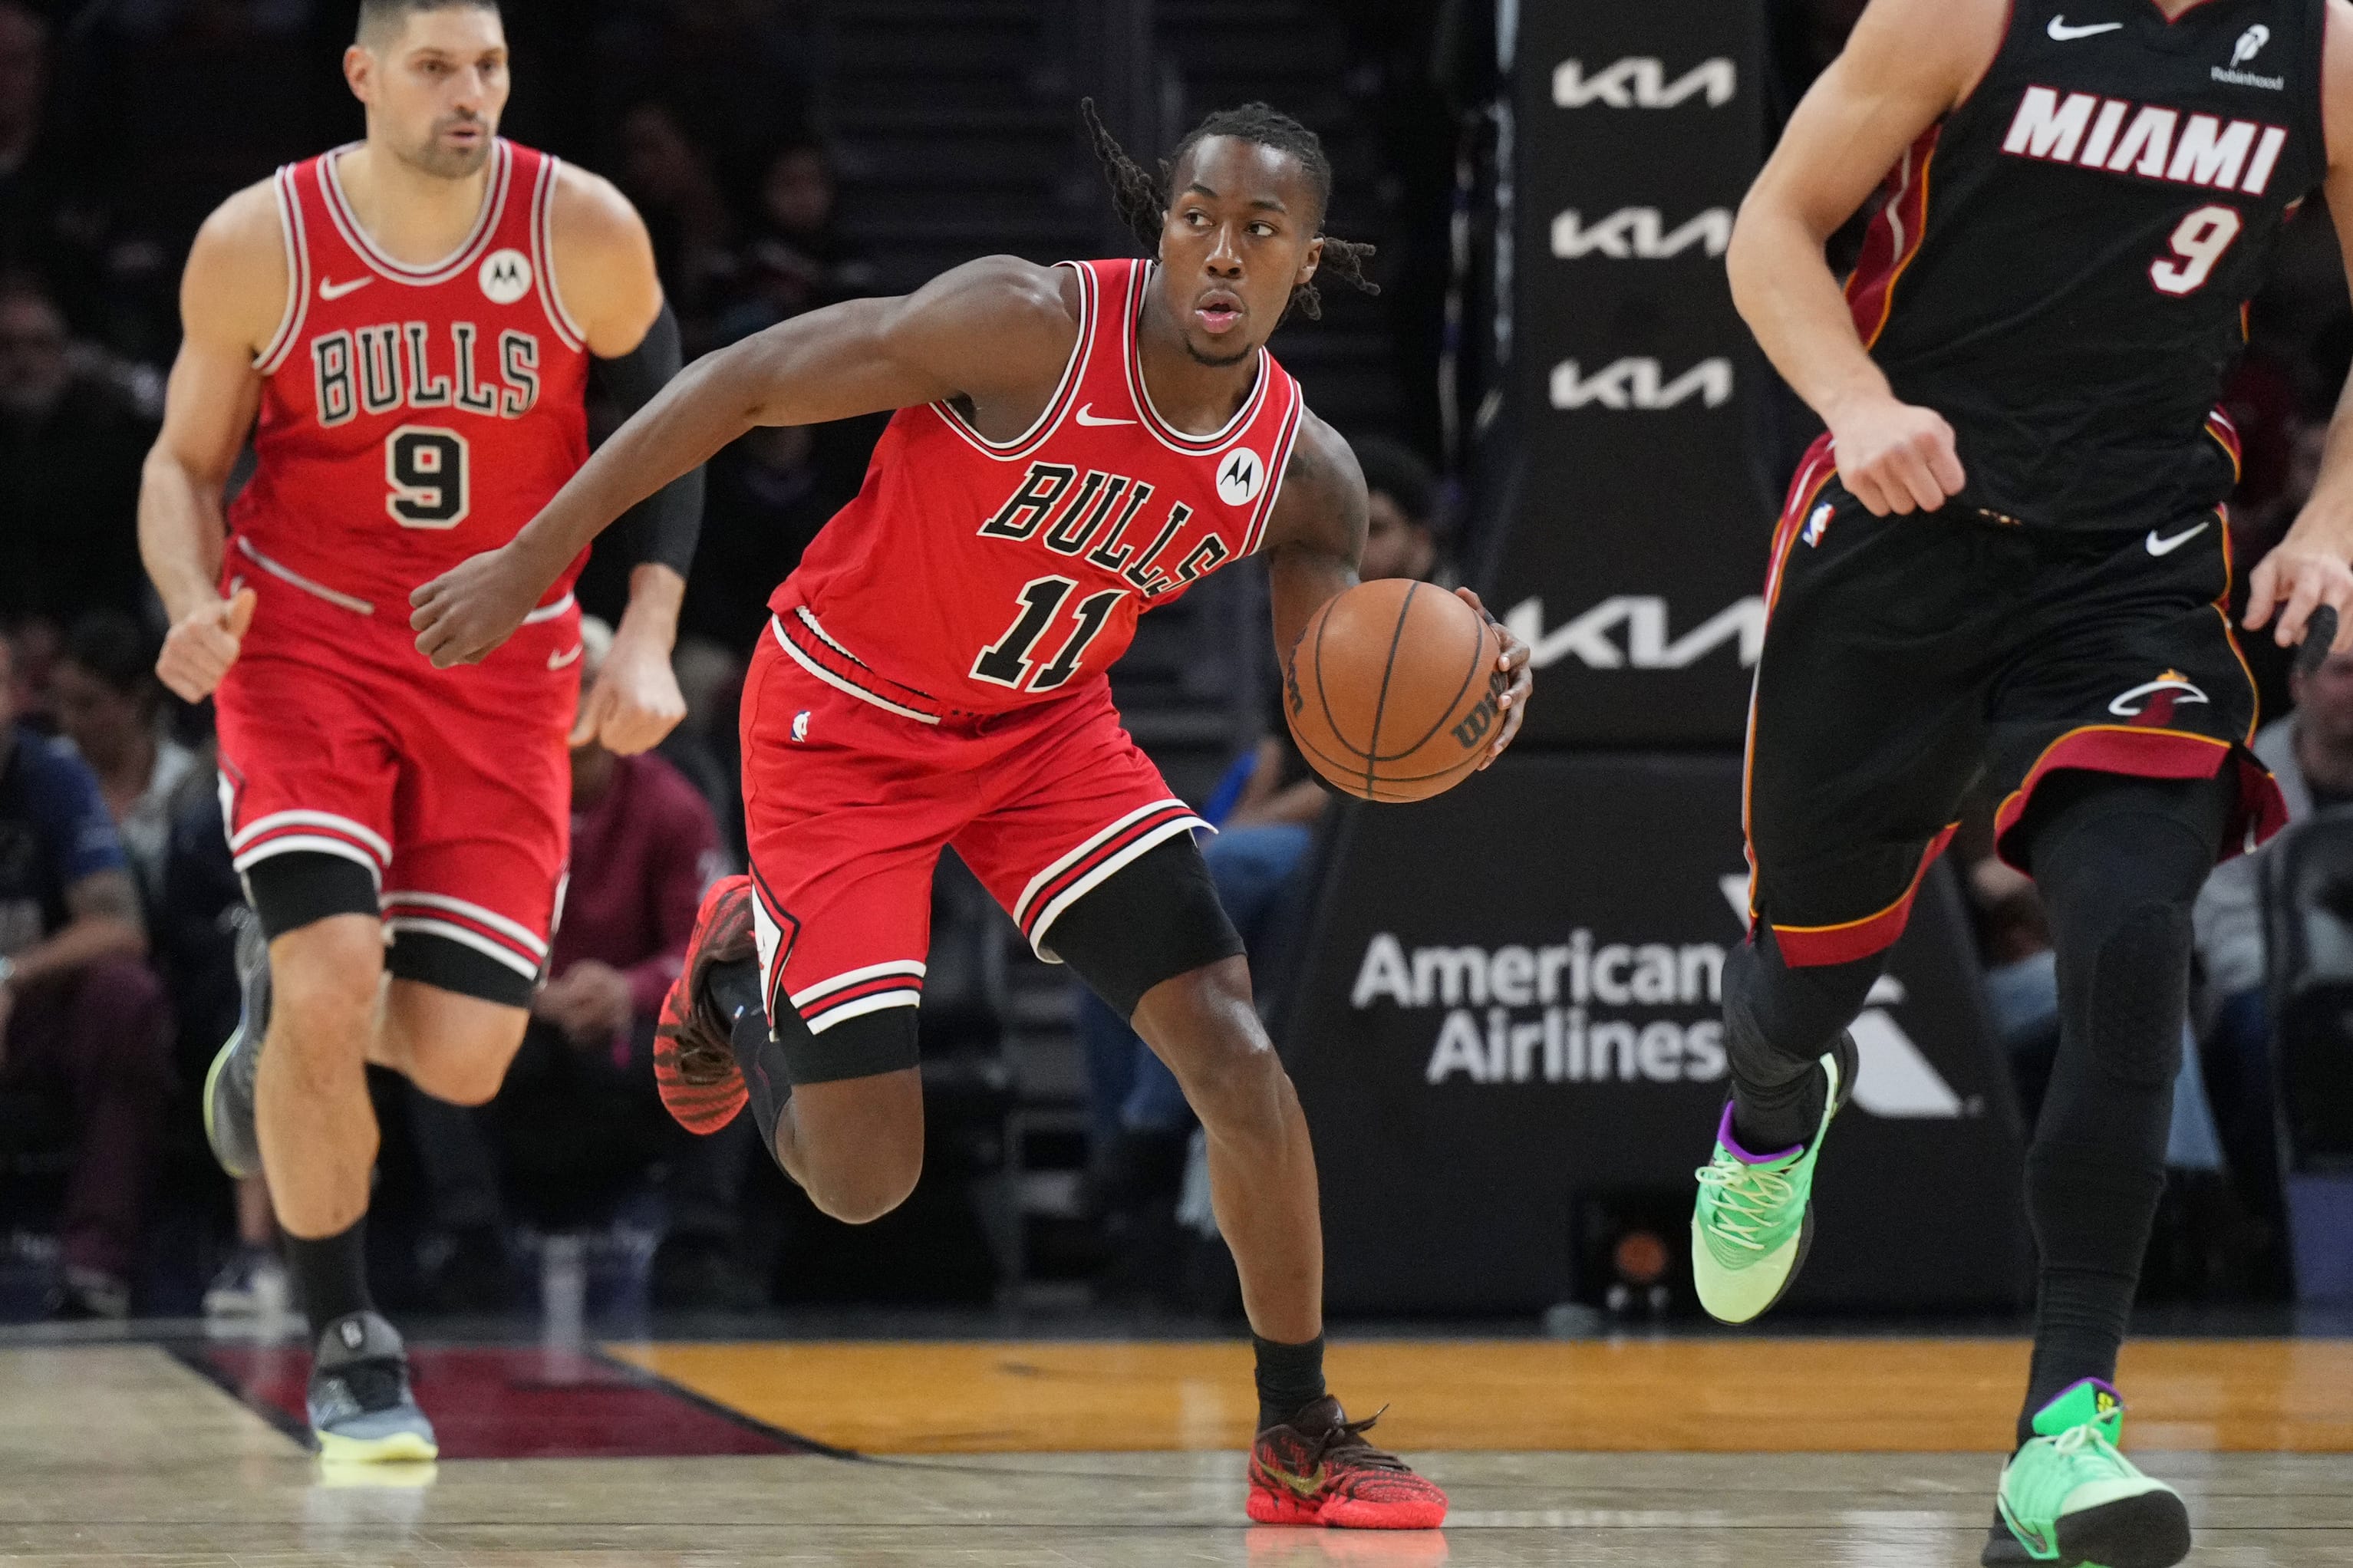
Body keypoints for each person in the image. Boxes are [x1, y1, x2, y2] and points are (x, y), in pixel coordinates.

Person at [410, 99, 1532, 1530]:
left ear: (1307, 262)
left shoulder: (1306, 475)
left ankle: (1299, 1429)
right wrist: (536, 553)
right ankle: (738, 963)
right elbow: (746, 379)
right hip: (844, 721)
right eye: (1199, 217)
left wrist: (1461, 695)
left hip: (1043, 737)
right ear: (1164, 222)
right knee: (865, 1181)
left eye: (1261, 231)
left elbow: (1338, 707)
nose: (1221, 254)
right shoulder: (1026, 327)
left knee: (1234, 1048)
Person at [1698, 2, 2353, 1563]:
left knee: (2135, 939)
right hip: (1905, 524)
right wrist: (1857, 405)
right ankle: (1776, 1108)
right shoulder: (1963, 7)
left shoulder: (2321, 50)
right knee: (1805, 970)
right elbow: (1771, 230)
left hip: (2130, 568)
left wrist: (2332, 519)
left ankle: (2062, 1434)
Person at [137, 0, 703, 1461]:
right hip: (306, 641)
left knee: (461, 1057)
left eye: (495, 65)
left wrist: (641, 636)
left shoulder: (581, 227)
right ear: (365, 74)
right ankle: (349, 1344)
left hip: (503, 659)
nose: (474, 92)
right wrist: (192, 598)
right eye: (441, 66)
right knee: (334, 973)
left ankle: (285, 1029)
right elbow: (184, 459)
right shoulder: (258, 239)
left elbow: (670, 427)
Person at [404, 615, 751, 1309]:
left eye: (587, 683)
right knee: (428, 1022)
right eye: (552, 683)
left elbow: (713, 944)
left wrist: (626, 990)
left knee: (734, 1026)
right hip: (515, 1035)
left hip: (630, 1042)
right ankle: (469, 1249)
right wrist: (531, 994)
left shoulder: (672, 806)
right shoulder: (483, 800)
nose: (570, 700)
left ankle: (699, 1251)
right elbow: (439, 929)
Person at [0, 634, 173, 1319]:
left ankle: (94, 1260)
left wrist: (9, 975)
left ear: (15, 697)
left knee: (126, 998)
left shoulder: (54, 780)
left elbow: (120, 927)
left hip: (31, 1008)